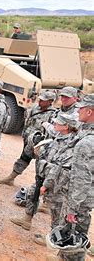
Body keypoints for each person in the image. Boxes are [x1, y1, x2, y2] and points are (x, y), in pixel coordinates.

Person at [10, 113, 78, 235]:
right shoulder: (58, 136)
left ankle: (54, 237)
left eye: (58, 123)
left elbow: (59, 167)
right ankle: (27, 220)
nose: (55, 124)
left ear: (66, 126)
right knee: (32, 194)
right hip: (44, 176)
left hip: (56, 182)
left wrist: (46, 185)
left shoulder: (71, 144)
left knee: (56, 209)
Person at [59, 94, 93, 261]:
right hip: (86, 198)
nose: (77, 110)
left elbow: (82, 178)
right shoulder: (87, 134)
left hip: (79, 200)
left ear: (89, 112)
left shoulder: (86, 143)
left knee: (74, 239)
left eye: (81, 108)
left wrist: (72, 208)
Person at [0, 90, 57, 185]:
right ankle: (11, 178)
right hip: (28, 140)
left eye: (43, 100)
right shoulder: (35, 108)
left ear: (50, 101)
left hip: (40, 144)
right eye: (40, 99)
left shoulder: (53, 114)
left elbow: (53, 131)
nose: (40, 101)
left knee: (40, 166)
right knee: (23, 159)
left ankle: (37, 187)